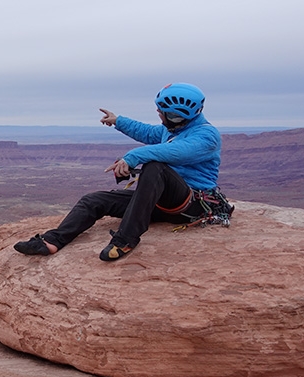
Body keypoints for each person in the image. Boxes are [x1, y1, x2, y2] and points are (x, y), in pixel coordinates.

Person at [13, 83, 232, 261]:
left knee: (155, 167)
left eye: (162, 111)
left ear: (176, 115)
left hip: (190, 205)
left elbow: (174, 152)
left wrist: (133, 157)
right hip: (159, 203)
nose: (158, 113)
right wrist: (118, 121)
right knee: (93, 201)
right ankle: (52, 242)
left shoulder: (207, 137)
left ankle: (125, 240)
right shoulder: (173, 129)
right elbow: (148, 132)